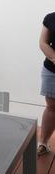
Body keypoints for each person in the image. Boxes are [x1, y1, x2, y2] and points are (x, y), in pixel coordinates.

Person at [38, 10, 55, 156]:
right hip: (51, 70)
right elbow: (43, 43)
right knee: (51, 107)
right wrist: (54, 58)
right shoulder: (50, 17)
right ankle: (43, 143)